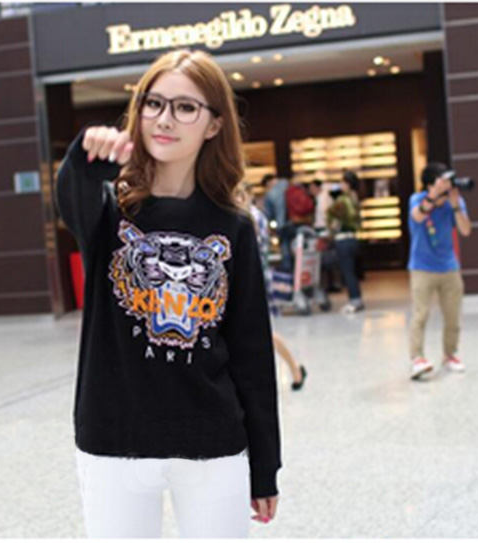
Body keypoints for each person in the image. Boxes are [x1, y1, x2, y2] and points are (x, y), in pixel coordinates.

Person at [56, 49, 281, 538]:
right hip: (114, 440)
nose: (164, 119)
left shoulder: (233, 227)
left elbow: (252, 352)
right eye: (153, 104)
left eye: (185, 108)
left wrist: (265, 465)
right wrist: (83, 161)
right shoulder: (108, 212)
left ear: (214, 124)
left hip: (211, 442)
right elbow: (71, 196)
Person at [408, 163, 472, 380]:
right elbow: (418, 216)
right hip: (422, 267)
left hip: (449, 267)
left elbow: (466, 230)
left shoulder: (455, 202)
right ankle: (417, 358)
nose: (448, 185)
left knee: (453, 315)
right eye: (442, 181)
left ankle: (450, 354)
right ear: (430, 185)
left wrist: (455, 206)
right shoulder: (417, 199)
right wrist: (433, 197)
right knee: (420, 314)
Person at [248, 184, 308, 392]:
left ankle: (295, 368)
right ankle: (295, 369)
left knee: (263, 332)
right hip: (258, 280)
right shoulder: (256, 216)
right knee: (260, 332)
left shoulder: (249, 218)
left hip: (253, 283)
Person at [327, 173, 364, 313]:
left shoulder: (342, 201)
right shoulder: (355, 198)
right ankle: (357, 298)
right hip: (353, 238)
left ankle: (354, 299)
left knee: (347, 271)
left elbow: (333, 218)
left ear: (347, 183)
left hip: (343, 239)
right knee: (352, 271)